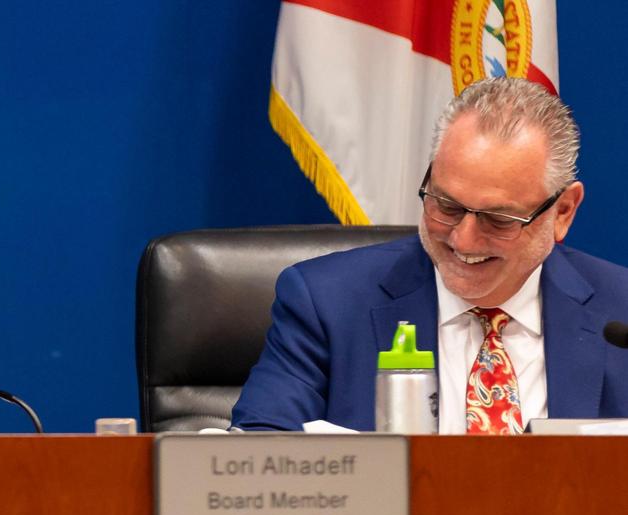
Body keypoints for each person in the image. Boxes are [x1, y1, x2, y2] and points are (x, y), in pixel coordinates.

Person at [232, 77, 628, 433]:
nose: (463, 239)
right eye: (446, 205)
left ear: (562, 212)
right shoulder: (326, 304)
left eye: (498, 219)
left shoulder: (620, 314)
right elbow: (257, 459)